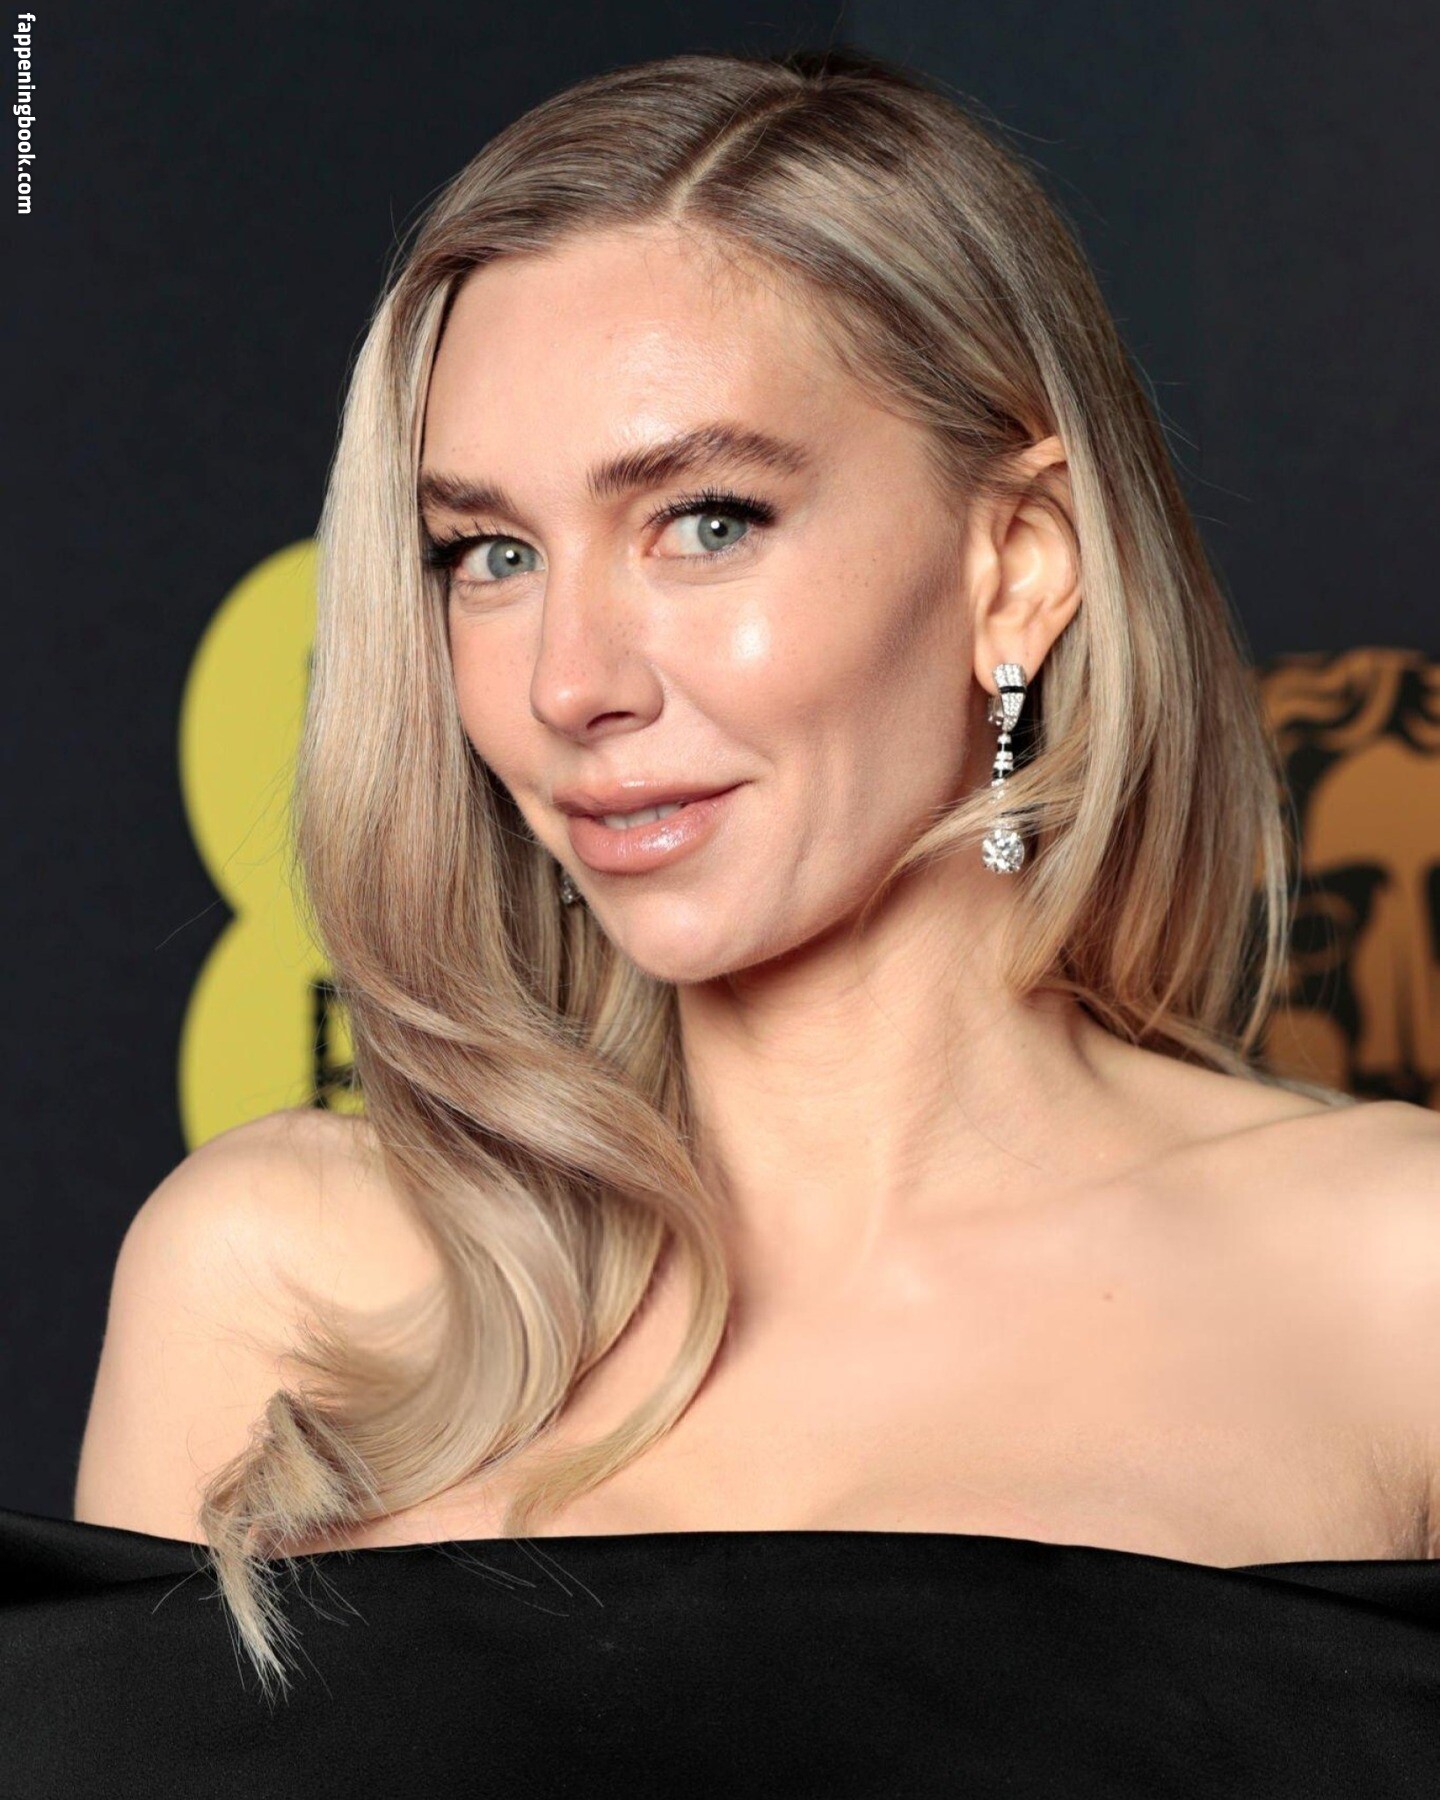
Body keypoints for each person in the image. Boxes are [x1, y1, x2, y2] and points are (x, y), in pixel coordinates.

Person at [4, 45, 1439, 1797]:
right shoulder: (273, 1280)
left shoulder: (1397, 1283)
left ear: (1017, 563)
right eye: (488, 554)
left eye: (704, 521)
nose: (570, 682)